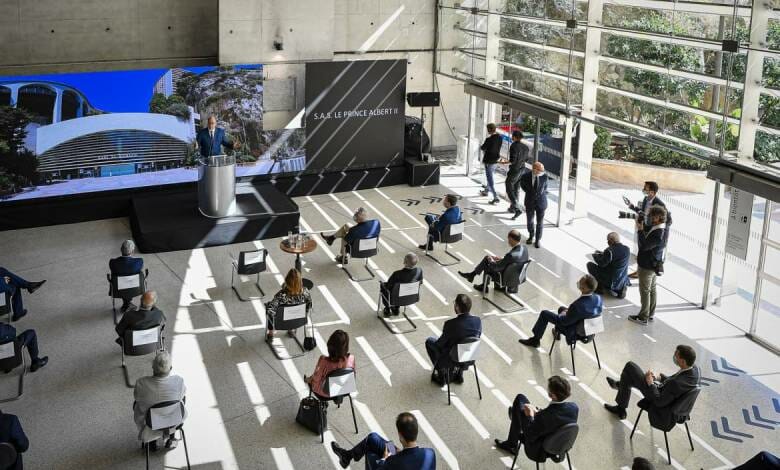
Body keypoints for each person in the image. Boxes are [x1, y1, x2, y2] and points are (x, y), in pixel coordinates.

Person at [604, 344, 700, 421]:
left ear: (683, 361)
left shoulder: (676, 384)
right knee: (628, 376)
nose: (674, 356)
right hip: (665, 392)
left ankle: (619, 395)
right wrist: (657, 378)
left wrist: (650, 383)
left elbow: (659, 402)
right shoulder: (694, 370)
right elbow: (673, 380)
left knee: (630, 367)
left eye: (676, 355)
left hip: (657, 398)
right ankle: (620, 403)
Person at [494, 376, 579, 459]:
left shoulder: (545, 417)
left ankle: (511, 442)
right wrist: (539, 412)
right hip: (560, 444)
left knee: (520, 400)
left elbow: (529, 436)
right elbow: (557, 419)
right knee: (520, 410)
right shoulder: (574, 408)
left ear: (552, 395)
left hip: (537, 449)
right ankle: (515, 417)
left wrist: (530, 416)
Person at [518, 274, 603, 348]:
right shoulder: (598, 298)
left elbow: (564, 322)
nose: (578, 282)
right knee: (561, 308)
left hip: (575, 333)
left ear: (584, 288)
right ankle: (557, 333)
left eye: (580, 282)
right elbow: (587, 312)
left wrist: (563, 314)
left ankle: (535, 340)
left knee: (545, 314)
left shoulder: (577, 306)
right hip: (591, 330)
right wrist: (568, 312)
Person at [330, 412, 436, 470]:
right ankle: (347, 456)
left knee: (370, 450)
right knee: (373, 438)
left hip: (393, 462)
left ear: (400, 436)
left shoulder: (392, 462)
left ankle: (347, 457)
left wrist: (384, 459)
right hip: (403, 456)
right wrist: (400, 452)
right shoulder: (430, 453)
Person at [133, 352, 186, 451]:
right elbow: (183, 396)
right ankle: (171, 437)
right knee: (177, 402)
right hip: (174, 421)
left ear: (153, 367)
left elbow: (137, 398)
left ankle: (151, 443)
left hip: (150, 425)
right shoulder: (179, 381)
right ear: (170, 368)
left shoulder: (141, 383)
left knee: (137, 404)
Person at [425, 294, 482, 386]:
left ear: (457, 307)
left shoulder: (450, 324)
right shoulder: (478, 321)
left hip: (452, 359)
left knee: (429, 341)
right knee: (464, 344)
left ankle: (441, 375)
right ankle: (459, 373)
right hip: (469, 357)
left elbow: (440, 344)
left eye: (455, 304)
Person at [628, 205, 667, 326]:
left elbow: (644, 246)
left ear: (658, 217)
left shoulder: (658, 233)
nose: (649, 217)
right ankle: (650, 314)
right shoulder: (659, 227)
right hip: (653, 264)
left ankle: (643, 317)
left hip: (647, 266)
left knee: (645, 291)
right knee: (652, 290)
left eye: (652, 215)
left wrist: (639, 230)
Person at [625, 181, 673, 279]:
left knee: (650, 254)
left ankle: (648, 274)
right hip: (645, 229)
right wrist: (632, 207)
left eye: (645, 188)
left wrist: (659, 231)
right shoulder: (646, 199)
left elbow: (668, 220)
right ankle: (639, 271)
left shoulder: (660, 204)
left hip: (654, 232)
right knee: (642, 250)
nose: (643, 189)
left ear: (652, 192)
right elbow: (643, 213)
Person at [457, 229, 528, 293]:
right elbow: (514, 261)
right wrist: (502, 259)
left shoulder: (510, 255)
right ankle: (472, 276)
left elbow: (496, 268)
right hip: (516, 277)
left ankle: (478, 281)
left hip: (505, 278)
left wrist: (491, 260)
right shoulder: (524, 248)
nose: (508, 241)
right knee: (488, 260)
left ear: (512, 239)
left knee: (487, 262)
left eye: (508, 239)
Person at [305, 330, 355, 398]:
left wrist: (310, 379)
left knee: (312, 379)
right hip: (342, 390)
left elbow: (316, 379)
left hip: (324, 392)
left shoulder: (323, 361)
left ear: (330, 346)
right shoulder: (351, 359)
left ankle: (307, 379)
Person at [265, 269, 312, 341]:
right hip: (298, 320)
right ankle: (291, 329)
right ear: (300, 281)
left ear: (286, 281)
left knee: (269, 308)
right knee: (292, 311)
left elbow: (270, 311)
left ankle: (271, 333)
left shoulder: (281, 295)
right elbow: (309, 306)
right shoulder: (305, 291)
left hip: (281, 322)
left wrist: (267, 306)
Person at [586, 232, 630, 299]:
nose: (607, 242)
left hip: (611, 279)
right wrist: (604, 254)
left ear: (611, 240)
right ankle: (620, 289)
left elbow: (602, 263)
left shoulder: (609, 251)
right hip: (622, 278)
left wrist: (595, 256)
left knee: (590, 265)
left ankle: (600, 287)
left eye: (608, 240)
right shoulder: (627, 249)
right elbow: (616, 257)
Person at [109, 239, 145, 312]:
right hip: (136, 288)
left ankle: (126, 304)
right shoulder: (139, 261)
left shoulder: (113, 262)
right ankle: (128, 303)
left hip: (119, 289)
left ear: (121, 250)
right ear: (132, 251)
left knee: (123, 282)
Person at [519, 162, 548, 248]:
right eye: (540, 170)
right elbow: (523, 187)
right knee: (530, 221)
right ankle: (531, 235)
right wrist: (531, 193)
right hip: (529, 201)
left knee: (540, 222)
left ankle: (538, 239)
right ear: (534, 169)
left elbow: (545, 188)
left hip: (541, 203)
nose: (542, 172)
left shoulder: (544, 176)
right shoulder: (525, 177)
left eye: (542, 170)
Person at [503, 130, 529, 218]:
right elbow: (526, 159)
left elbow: (512, 160)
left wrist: (504, 163)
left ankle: (517, 208)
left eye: (512, 136)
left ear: (514, 137)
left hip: (515, 170)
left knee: (508, 186)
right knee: (516, 188)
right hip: (522, 169)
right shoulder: (526, 147)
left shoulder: (513, 146)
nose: (511, 137)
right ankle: (513, 207)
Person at [480, 123, 502, 204]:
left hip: (488, 161)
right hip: (495, 160)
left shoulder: (489, 139)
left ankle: (495, 196)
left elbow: (482, 147)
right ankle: (486, 191)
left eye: (487, 129)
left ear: (489, 129)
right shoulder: (500, 138)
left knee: (490, 178)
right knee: (490, 175)